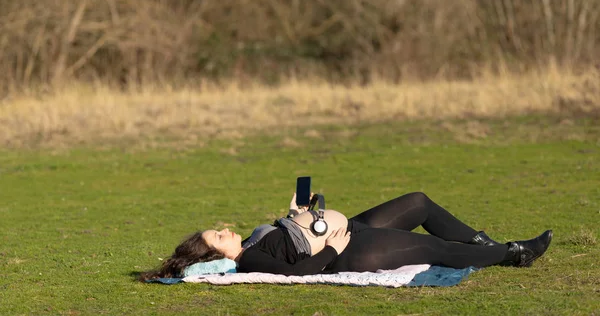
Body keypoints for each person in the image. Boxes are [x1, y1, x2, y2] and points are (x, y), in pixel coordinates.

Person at [140, 192, 553, 279]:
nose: (225, 229)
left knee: (419, 202)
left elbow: (288, 236)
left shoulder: (250, 239)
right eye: (218, 235)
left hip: (351, 227)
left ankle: (482, 244)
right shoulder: (247, 260)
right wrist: (334, 246)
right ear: (215, 254)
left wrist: (296, 213)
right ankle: (512, 253)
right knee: (435, 248)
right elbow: (299, 272)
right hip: (350, 250)